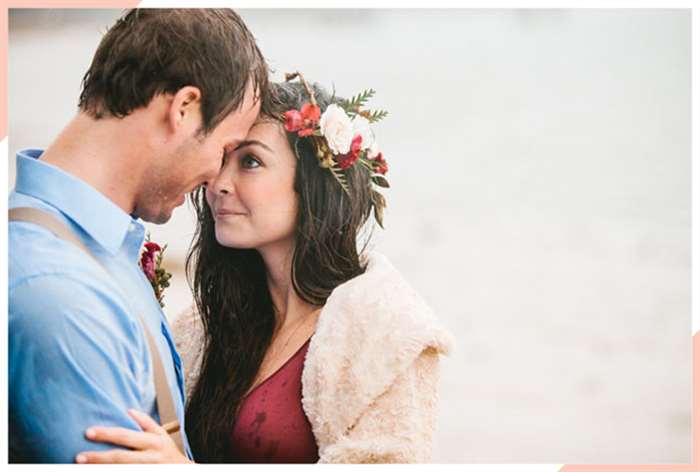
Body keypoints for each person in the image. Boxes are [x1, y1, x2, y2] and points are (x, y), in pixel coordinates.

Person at [77, 73, 454, 464]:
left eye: (251, 162)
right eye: (222, 159)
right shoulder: (201, 329)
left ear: (314, 184)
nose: (218, 183)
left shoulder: (386, 336)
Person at [9, 8, 267, 463]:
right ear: (183, 109)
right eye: (225, 149)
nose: (215, 177)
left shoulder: (92, 247)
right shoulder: (61, 297)